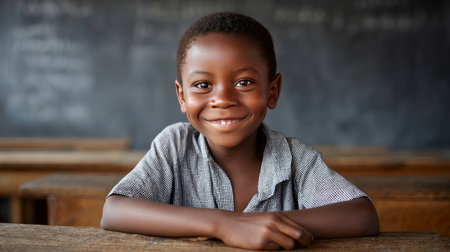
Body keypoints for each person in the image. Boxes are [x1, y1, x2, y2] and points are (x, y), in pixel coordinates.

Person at [101, 12, 379, 250]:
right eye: (202, 85)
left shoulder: (295, 158)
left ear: (272, 92)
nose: (222, 99)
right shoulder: (174, 146)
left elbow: (362, 215)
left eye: (244, 82)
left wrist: (266, 226)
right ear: (181, 96)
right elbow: (115, 211)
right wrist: (225, 224)